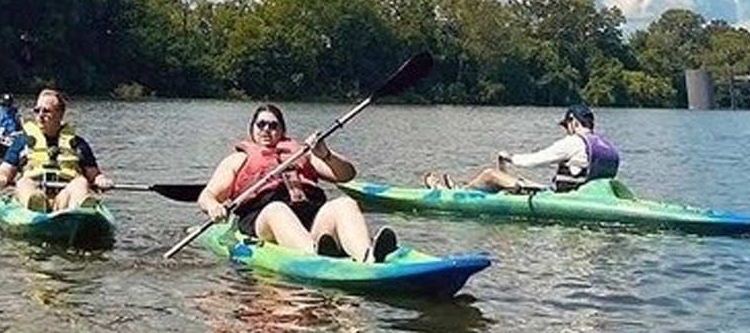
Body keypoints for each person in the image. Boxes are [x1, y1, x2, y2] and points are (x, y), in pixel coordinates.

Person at [197, 103, 398, 263]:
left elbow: (346, 175)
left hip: (309, 218)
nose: (266, 129)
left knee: (345, 203)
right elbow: (207, 195)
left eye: (273, 125)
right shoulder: (238, 160)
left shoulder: (301, 154)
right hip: (263, 220)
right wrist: (214, 206)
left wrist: (325, 154)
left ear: (282, 131)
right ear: (252, 129)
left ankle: (367, 256)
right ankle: (314, 256)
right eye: (261, 124)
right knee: (277, 209)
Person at [430, 104, 621, 193]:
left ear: (573, 121)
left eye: (566, 125)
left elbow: (534, 160)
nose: (566, 130)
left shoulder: (573, 142)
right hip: (584, 197)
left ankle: (456, 194)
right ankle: (467, 187)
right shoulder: (607, 147)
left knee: (490, 174)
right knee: (516, 180)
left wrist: (510, 158)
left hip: (564, 200)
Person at [0, 89, 112, 212]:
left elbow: (94, 175)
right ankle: (36, 205)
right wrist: (1, 177)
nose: (40, 115)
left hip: (65, 198)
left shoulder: (77, 144)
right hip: (33, 192)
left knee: (81, 182)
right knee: (23, 182)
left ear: (60, 114)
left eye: (46, 111)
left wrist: (101, 180)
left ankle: (80, 210)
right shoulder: (22, 142)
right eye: (37, 110)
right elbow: (4, 170)